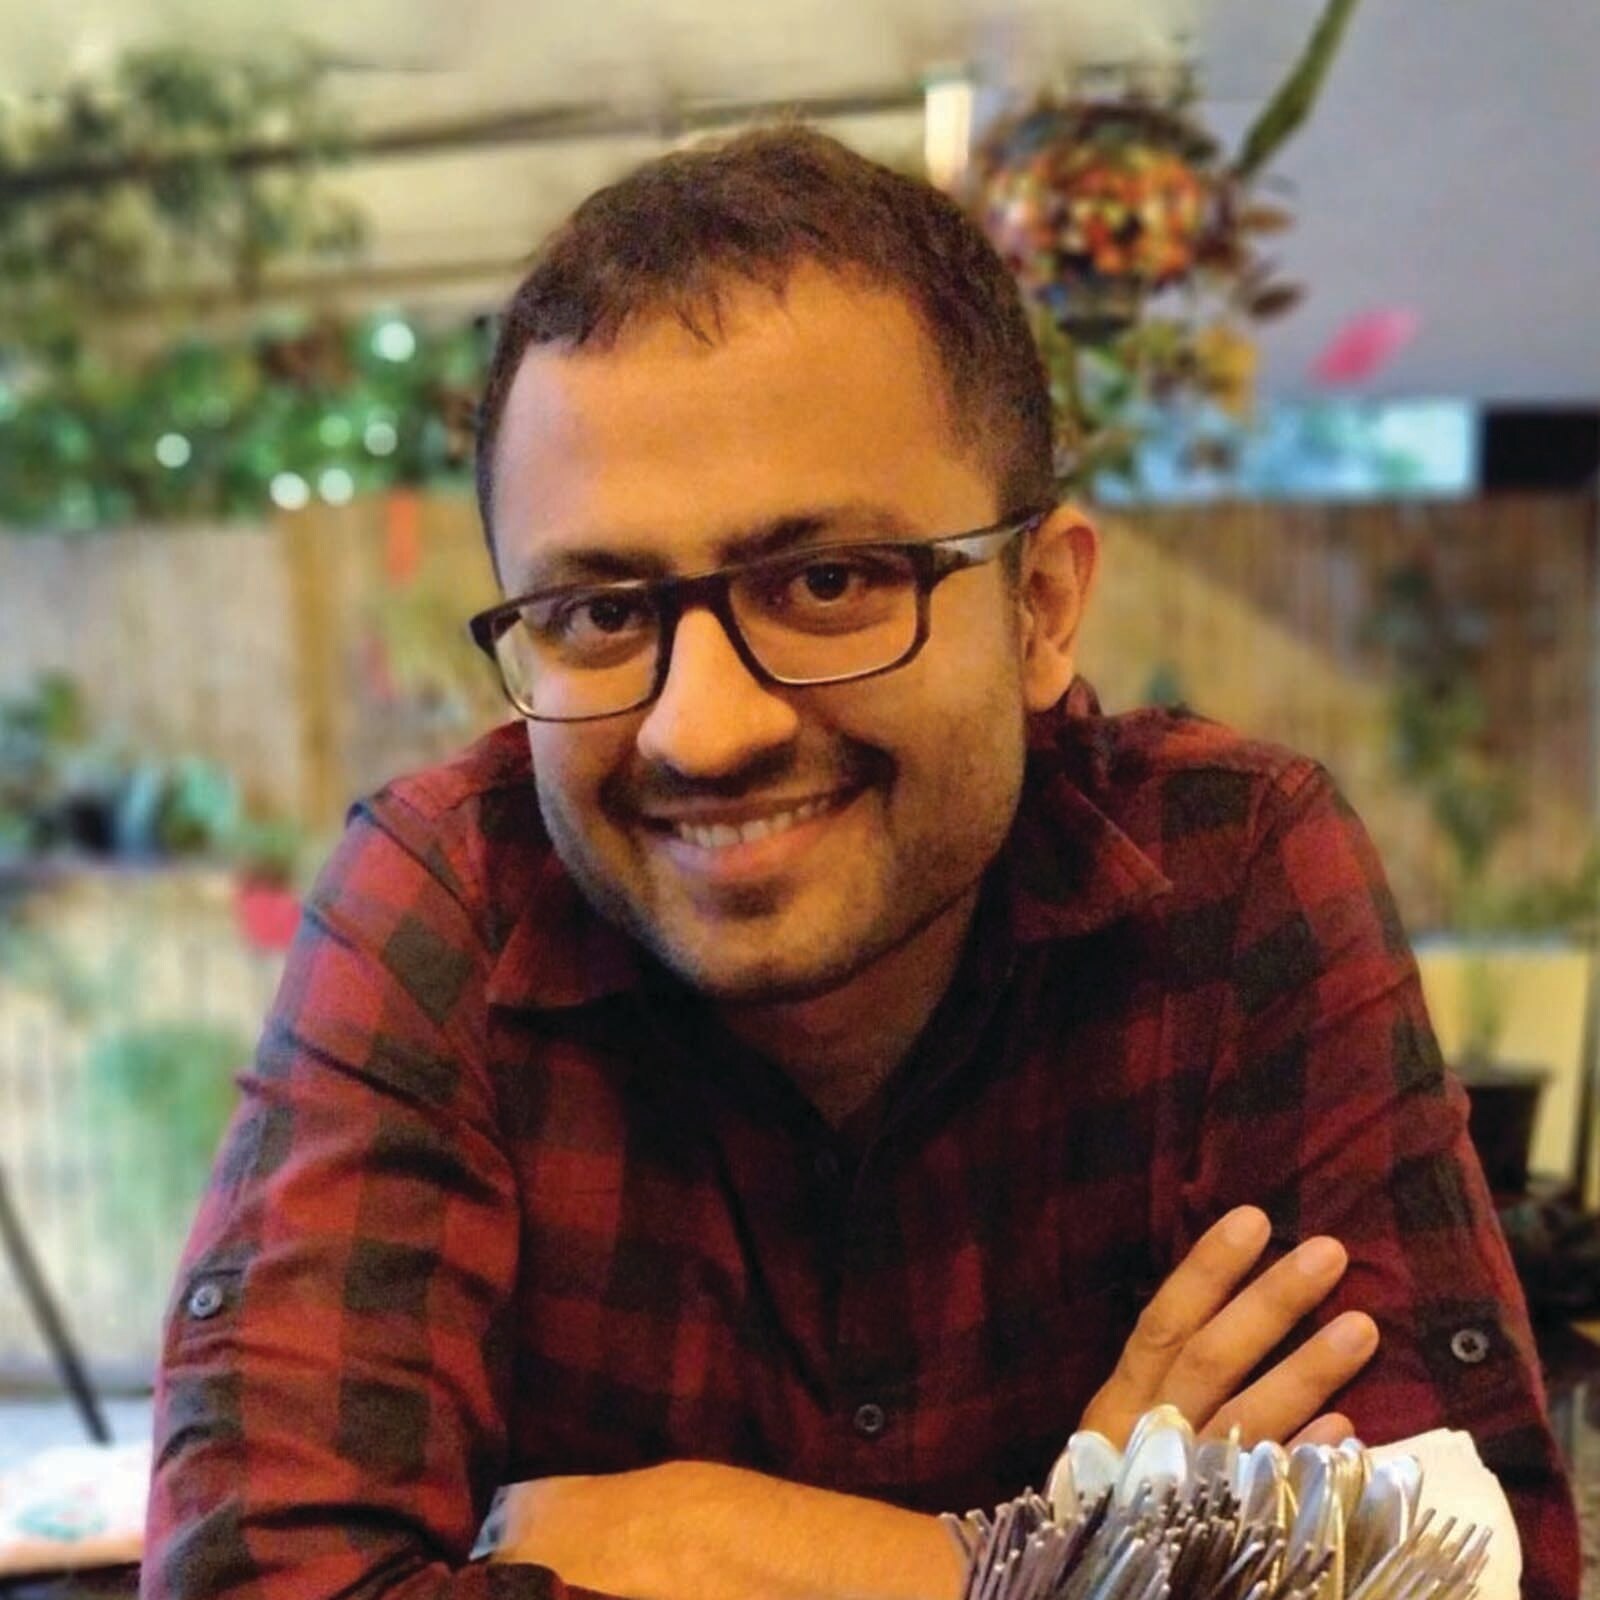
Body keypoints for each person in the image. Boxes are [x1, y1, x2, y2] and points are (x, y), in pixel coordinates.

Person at [142, 126, 1578, 1600]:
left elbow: (1474, 1571)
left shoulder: (1230, 877)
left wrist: (840, 1556)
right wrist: (1079, 1568)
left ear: (1040, 609)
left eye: (826, 582)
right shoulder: (447, 902)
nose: (702, 732)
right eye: (599, 613)